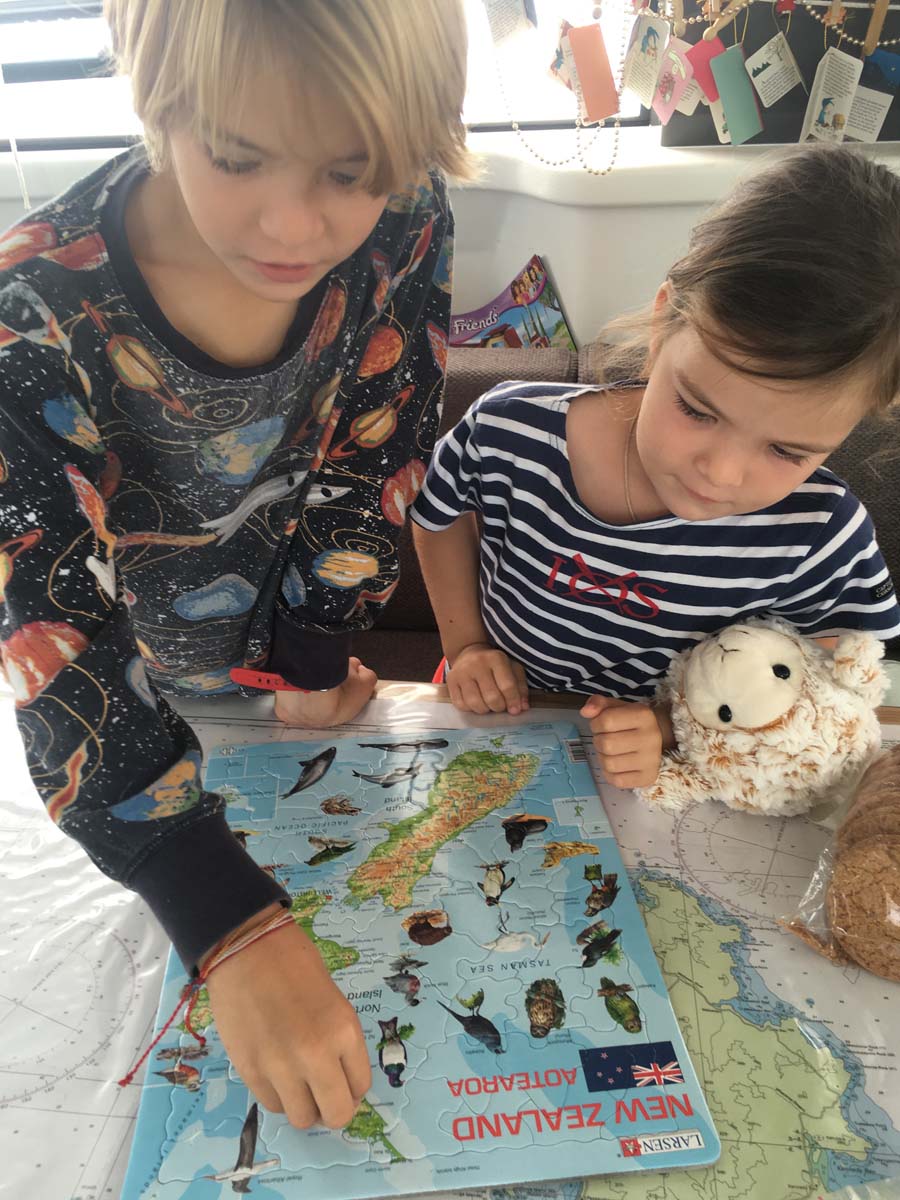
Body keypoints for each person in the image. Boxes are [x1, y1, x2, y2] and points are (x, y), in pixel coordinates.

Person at [0, 0, 469, 1132]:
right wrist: (231, 922)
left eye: (349, 174)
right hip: (125, 726)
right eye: (236, 156)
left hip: (278, 682)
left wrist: (306, 656)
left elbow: (379, 447)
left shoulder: (407, 219)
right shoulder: (29, 316)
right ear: (155, 97)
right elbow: (51, 631)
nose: (295, 224)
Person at [411, 146, 900, 793]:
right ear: (664, 322)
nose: (720, 473)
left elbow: (837, 676)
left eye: (788, 451)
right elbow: (438, 514)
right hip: (490, 710)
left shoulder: (821, 533)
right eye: (697, 409)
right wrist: (467, 645)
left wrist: (670, 727)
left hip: (673, 774)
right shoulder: (508, 430)